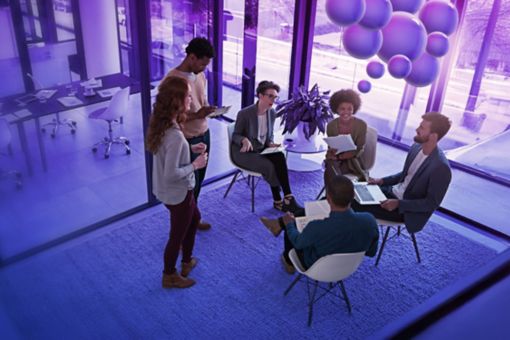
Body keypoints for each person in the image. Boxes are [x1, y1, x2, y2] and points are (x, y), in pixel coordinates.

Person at [147, 76, 208, 289]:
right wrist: (196, 164)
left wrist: (190, 150)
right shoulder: (174, 135)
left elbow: (168, 156)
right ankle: (169, 274)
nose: (191, 100)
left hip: (169, 192)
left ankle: (187, 261)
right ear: (177, 100)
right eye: (188, 97)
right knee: (177, 236)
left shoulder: (162, 124)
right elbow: (171, 174)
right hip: (177, 193)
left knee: (194, 219)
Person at [351, 112, 452, 234]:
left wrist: (399, 204)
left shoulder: (441, 167)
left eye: (422, 128)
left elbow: (431, 204)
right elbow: (406, 174)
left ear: (433, 136)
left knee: (350, 203)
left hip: (405, 210)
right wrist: (381, 181)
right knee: (348, 191)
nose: (417, 129)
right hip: (391, 193)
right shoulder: (417, 147)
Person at [260, 175, 379, 272]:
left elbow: (298, 242)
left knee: (293, 224)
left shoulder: (316, 227)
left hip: (316, 267)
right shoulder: (370, 221)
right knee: (304, 213)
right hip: (348, 267)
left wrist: (289, 224)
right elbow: (371, 252)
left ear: (329, 199)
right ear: (353, 196)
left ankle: (289, 262)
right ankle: (277, 225)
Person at [164, 37, 215, 230]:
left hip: (204, 133)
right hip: (186, 140)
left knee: (198, 183)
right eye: (202, 63)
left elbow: (200, 101)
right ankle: (183, 225)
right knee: (186, 188)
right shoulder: (173, 80)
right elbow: (171, 117)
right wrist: (196, 115)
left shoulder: (199, 75)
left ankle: (193, 218)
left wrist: (207, 109)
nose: (204, 68)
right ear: (191, 57)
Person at [231, 80, 303, 214]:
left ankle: (288, 198)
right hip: (244, 152)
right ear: (260, 95)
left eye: (275, 97)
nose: (273, 100)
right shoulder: (245, 114)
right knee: (269, 165)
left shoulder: (272, 113)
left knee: (279, 156)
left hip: (262, 147)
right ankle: (277, 201)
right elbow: (235, 135)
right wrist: (244, 140)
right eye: (270, 96)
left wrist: (270, 143)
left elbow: (268, 135)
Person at [324, 89, 368, 183]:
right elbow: (331, 147)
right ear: (336, 109)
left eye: (349, 109)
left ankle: (334, 192)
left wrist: (340, 157)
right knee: (331, 165)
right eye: (342, 108)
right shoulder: (331, 125)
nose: (346, 112)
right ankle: (334, 191)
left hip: (354, 160)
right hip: (336, 158)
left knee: (332, 170)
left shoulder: (361, 125)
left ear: (354, 108)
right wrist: (331, 154)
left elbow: (359, 149)